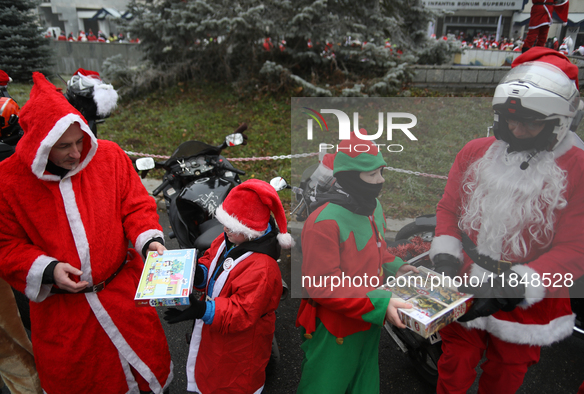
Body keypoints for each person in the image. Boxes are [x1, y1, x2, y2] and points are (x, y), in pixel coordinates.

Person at [429, 47, 584, 394]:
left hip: (528, 300)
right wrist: (445, 255)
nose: (515, 129)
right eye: (509, 117)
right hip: (466, 280)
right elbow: (448, 209)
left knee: (506, 375)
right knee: (454, 365)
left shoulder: (582, 170)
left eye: (530, 122)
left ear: (561, 122)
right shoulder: (475, 151)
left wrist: (512, 288)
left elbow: (576, 250)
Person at [0, 72, 173, 394]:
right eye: (63, 146)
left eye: (80, 141)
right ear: (39, 143)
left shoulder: (109, 156)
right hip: (64, 316)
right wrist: (47, 269)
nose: (77, 153)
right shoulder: (8, 182)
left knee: (148, 373)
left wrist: (149, 238)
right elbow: (5, 244)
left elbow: (136, 206)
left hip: (124, 298)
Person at [295, 130, 418, 394]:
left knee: (364, 383)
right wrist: (379, 302)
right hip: (336, 328)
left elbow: (377, 249)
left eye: (381, 172)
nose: (380, 181)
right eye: (372, 175)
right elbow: (322, 285)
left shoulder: (373, 207)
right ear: (350, 176)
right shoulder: (323, 223)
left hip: (369, 317)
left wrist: (397, 267)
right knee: (326, 385)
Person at [164, 179, 290, 393]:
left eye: (232, 226)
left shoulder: (263, 269)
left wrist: (204, 309)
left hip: (241, 347)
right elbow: (210, 260)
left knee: (231, 383)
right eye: (225, 221)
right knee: (212, 373)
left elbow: (243, 311)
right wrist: (195, 274)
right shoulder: (227, 240)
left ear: (250, 229)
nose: (224, 228)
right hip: (219, 333)